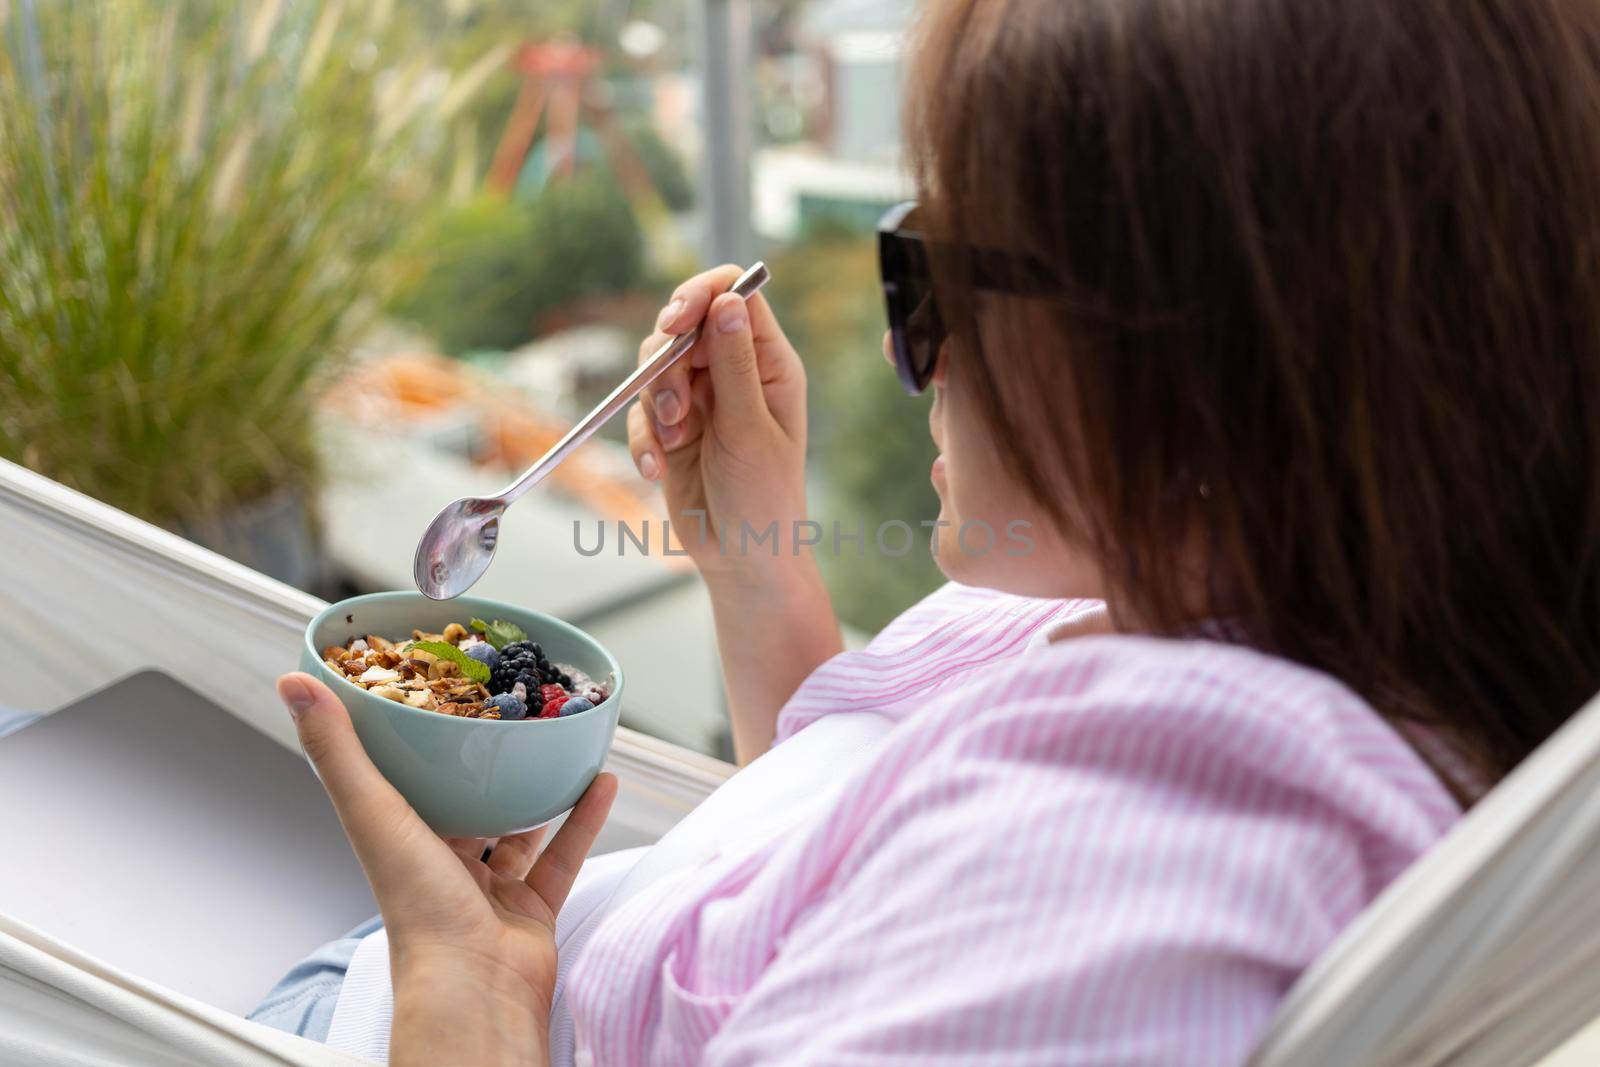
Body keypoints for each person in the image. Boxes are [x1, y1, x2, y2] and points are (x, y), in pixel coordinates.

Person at [254, 0, 1600, 1062]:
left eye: (932, 274)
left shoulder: (1135, 851)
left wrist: (465, 994)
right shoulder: (1202, 596)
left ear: (1190, 366)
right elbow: (852, 840)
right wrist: (750, 552)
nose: (923, 349)